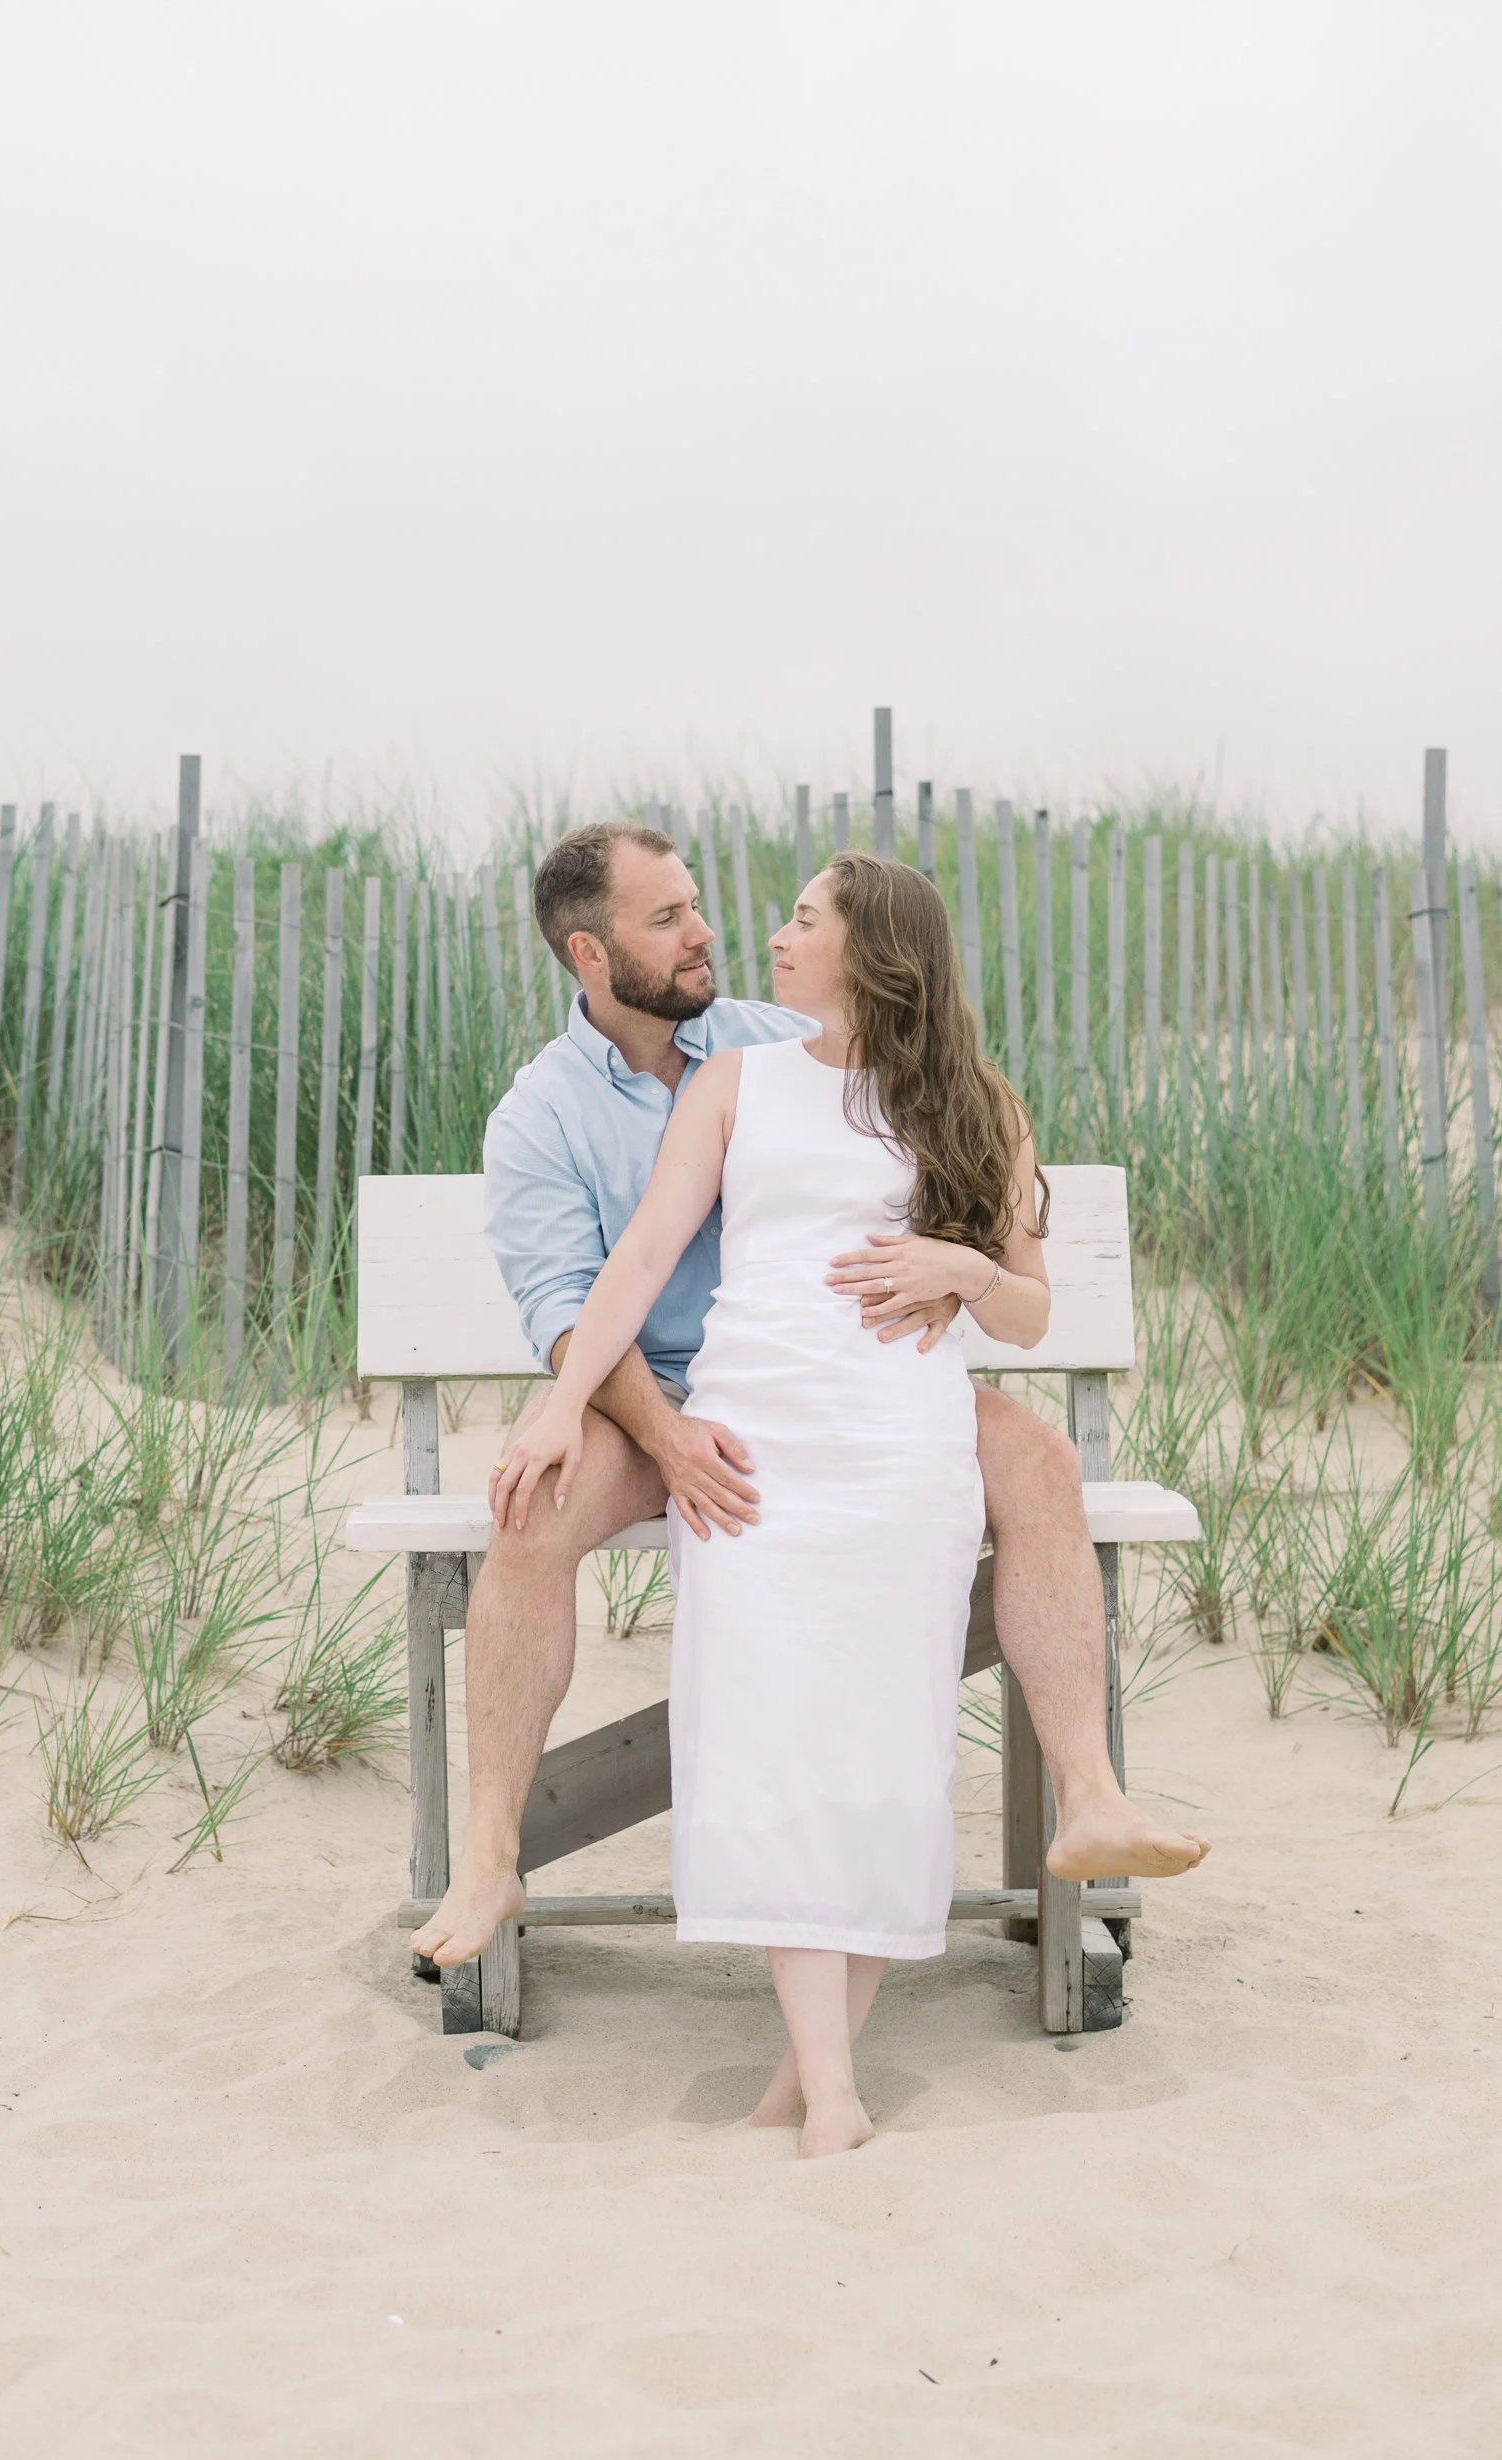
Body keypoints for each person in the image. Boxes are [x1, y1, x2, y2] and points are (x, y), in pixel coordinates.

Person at [410, 826, 1207, 2041]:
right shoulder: (542, 1117)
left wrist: (955, 1269)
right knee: (529, 1511)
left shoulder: (769, 1038)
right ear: (590, 949)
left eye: (701, 908)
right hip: (654, 1394)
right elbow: (579, 1316)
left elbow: (903, 1116)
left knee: (1042, 1460)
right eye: (668, 918)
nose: (710, 935)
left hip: (846, 1385)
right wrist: (655, 1434)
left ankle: (1088, 1795)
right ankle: (489, 1856)